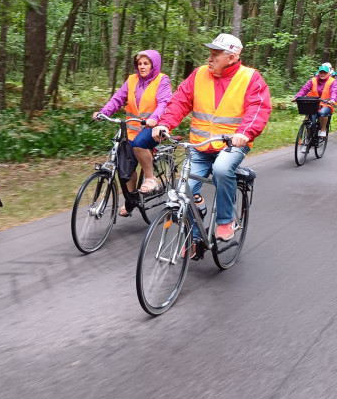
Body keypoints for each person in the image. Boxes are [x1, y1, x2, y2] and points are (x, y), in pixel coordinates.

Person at [152, 33, 271, 247]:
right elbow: (180, 101)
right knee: (184, 190)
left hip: (230, 145)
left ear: (232, 58)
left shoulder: (250, 77)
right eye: (210, 53)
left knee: (222, 170)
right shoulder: (199, 75)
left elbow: (258, 108)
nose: (210, 58)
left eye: (216, 55)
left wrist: (245, 132)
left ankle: (226, 220)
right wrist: (165, 124)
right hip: (199, 145)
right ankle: (196, 238)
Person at [93, 49, 172, 216]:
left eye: (146, 63)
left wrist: (155, 118)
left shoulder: (161, 80)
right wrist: (104, 112)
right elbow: (118, 99)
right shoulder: (132, 80)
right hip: (131, 130)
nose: (142, 67)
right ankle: (131, 201)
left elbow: (164, 103)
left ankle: (150, 178)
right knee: (124, 169)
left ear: (153, 65)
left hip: (153, 130)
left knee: (139, 144)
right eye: (139, 64)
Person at [294, 62, 337, 137]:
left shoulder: (332, 81)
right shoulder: (313, 80)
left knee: (322, 113)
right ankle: (308, 137)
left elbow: (334, 91)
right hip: (313, 103)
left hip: (326, 103)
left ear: (328, 73)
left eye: (324, 73)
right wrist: (297, 97)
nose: (322, 74)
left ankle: (323, 130)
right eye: (321, 72)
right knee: (311, 122)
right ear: (318, 72)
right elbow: (305, 89)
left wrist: (333, 100)